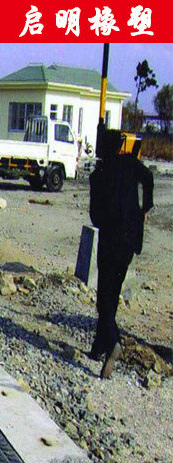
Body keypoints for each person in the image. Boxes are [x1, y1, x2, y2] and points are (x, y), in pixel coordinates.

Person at [88, 131, 154, 379]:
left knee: (103, 299)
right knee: (112, 292)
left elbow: (95, 217)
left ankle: (112, 342)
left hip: (110, 241)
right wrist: (145, 208)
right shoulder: (130, 164)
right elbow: (148, 178)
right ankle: (98, 347)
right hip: (129, 241)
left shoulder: (98, 175)